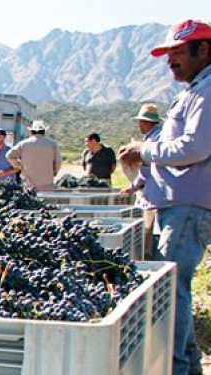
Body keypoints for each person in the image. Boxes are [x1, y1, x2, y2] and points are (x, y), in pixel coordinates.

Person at [118, 19, 211, 375]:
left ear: (202, 49)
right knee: (175, 291)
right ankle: (187, 365)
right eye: (167, 54)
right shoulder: (196, 89)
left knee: (171, 293)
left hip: (187, 209)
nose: (170, 61)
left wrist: (146, 150)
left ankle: (179, 367)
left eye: (177, 53)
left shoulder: (206, 91)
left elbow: (195, 147)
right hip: (180, 208)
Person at [119, 103, 162, 260]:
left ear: (144, 123)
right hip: (159, 193)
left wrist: (133, 186)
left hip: (155, 194)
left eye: (140, 122)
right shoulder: (156, 136)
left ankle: (152, 259)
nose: (139, 125)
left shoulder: (152, 141)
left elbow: (147, 169)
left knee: (151, 233)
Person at [5, 121, 62, 191]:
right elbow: (58, 161)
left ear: (31, 132)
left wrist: (20, 165)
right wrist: (54, 172)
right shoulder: (52, 144)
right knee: (47, 201)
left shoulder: (23, 144)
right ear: (44, 132)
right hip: (47, 184)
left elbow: (9, 156)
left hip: (28, 184)